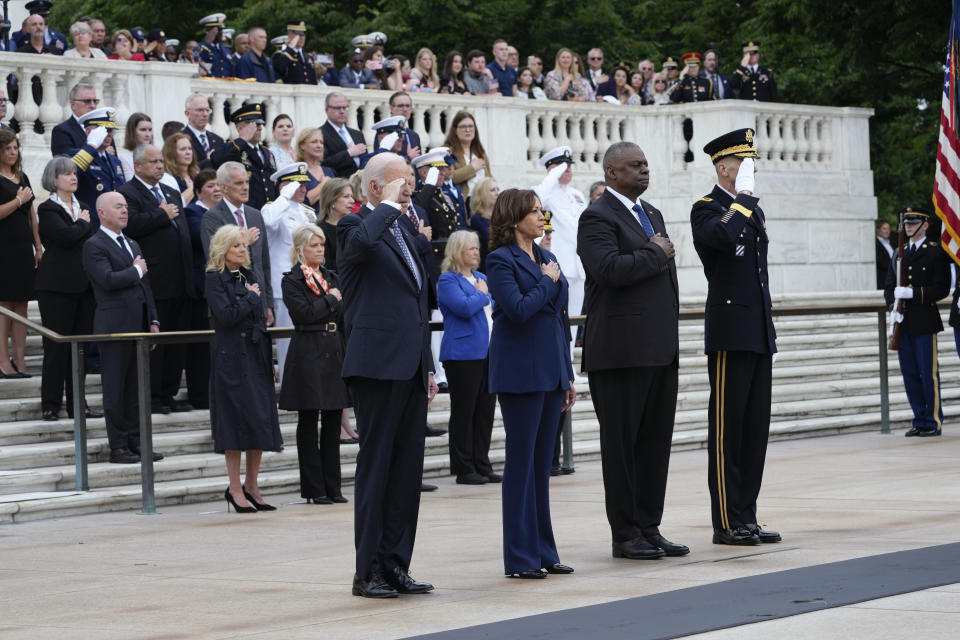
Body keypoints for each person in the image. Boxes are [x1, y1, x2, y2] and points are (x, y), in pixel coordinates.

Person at [577, 141, 686, 560]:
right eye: (634, 166)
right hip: (620, 352)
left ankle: (649, 526)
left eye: (646, 164)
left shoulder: (651, 213)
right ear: (611, 173)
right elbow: (608, 270)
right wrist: (653, 252)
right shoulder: (597, 217)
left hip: (659, 349)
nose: (644, 171)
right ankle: (625, 534)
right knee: (622, 448)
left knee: (654, 444)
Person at [338, 153, 437, 599]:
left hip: (411, 365)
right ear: (375, 187)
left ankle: (397, 563)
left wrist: (428, 364)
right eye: (401, 181)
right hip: (376, 365)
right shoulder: (354, 225)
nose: (409, 187)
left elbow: (419, 301)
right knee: (376, 469)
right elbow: (359, 248)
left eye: (411, 181)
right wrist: (385, 208)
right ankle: (368, 570)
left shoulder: (403, 230)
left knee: (406, 472)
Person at [691, 128, 781, 546]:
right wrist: (743, 198)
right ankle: (726, 521)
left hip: (757, 331)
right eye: (745, 163)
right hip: (730, 333)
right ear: (724, 167)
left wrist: (769, 333)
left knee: (753, 432)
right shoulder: (706, 209)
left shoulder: (751, 211)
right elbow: (723, 240)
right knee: (728, 431)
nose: (753, 170)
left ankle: (747, 514)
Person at [486, 188, 575, 579]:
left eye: (541, 211)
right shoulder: (499, 260)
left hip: (551, 368)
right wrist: (544, 283)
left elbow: (558, 318)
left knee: (542, 466)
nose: (541, 217)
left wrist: (566, 373)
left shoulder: (548, 257)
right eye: (535, 211)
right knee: (521, 465)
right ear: (514, 216)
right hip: (520, 372)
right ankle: (520, 557)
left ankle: (543, 550)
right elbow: (519, 310)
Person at [205, 225, 282, 512]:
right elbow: (226, 316)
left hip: (254, 355)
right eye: (236, 246)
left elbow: (259, 319)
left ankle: (252, 484)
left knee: (258, 420)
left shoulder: (248, 276)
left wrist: (267, 359)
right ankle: (234, 487)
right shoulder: (214, 278)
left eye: (243, 245)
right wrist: (249, 297)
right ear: (223, 249)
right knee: (234, 423)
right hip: (231, 359)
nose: (242, 250)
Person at [82, 192, 161, 463]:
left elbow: (145, 286)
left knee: (136, 390)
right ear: (101, 213)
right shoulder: (94, 244)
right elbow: (107, 280)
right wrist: (136, 271)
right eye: (118, 207)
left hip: (138, 325)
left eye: (126, 206)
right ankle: (118, 446)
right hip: (114, 327)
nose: (125, 211)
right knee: (115, 390)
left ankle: (138, 442)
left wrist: (153, 320)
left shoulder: (132, 243)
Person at [117, 145, 195, 414]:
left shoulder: (171, 191)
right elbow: (132, 225)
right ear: (138, 166)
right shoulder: (128, 193)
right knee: (157, 344)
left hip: (180, 278)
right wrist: (161, 215)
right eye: (153, 162)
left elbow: (182, 231)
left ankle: (169, 392)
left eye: (161, 161)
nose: (160, 166)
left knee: (176, 341)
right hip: (156, 279)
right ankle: (152, 396)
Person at [278, 224, 350, 504]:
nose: (320, 250)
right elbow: (304, 314)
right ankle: (314, 488)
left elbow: (344, 314)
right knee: (308, 420)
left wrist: (332, 303)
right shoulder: (292, 280)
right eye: (314, 246)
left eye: (322, 245)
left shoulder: (332, 276)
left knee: (333, 419)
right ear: (300, 250)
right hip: (307, 351)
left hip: (334, 349)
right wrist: (331, 299)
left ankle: (333, 486)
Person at [35, 157, 99, 417]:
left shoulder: (82, 206)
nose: (73, 177)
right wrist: (81, 225)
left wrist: (80, 227)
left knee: (80, 349)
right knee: (56, 347)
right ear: (54, 179)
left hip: (84, 286)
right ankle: (51, 404)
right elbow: (65, 237)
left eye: (74, 173)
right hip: (56, 287)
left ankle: (77, 404)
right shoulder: (47, 208)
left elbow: (87, 239)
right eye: (67, 174)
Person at [437, 230, 498, 484]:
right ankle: (464, 468)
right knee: (464, 411)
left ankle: (482, 463)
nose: (476, 252)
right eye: (471, 248)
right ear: (457, 251)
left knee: (485, 411)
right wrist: (481, 294)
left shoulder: (481, 277)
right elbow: (463, 308)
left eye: (476, 248)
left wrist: (483, 294)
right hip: (462, 354)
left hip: (487, 351)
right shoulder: (448, 281)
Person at [885, 207, 950, 437]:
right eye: (907, 224)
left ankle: (933, 421)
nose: (909, 227)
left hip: (924, 321)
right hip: (904, 323)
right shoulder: (899, 253)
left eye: (914, 224)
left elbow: (942, 288)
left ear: (925, 226)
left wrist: (914, 294)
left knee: (927, 372)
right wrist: (893, 306)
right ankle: (919, 419)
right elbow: (890, 285)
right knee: (910, 373)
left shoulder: (935, 253)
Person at [261, 163, 316, 382]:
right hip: (284, 285)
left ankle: (306, 382)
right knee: (287, 340)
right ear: (284, 185)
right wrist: (284, 195)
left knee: (307, 338)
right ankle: (288, 382)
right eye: (297, 184)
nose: (303, 189)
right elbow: (268, 222)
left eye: (304, 184)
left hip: (309, 283)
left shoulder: (307, 213)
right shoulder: (273, 209)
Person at [201, 162, 274, 326]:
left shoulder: (255, 215)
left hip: (258, 301)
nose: (245, 187)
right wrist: (243, 242)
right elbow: (214, 259)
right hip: (230, 303)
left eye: (247, 182)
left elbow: (264, 263)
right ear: (224, 187)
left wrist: (268, 303)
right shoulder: (212, 217)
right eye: (239, 183)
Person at [0, 129, 41, 379]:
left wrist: (38, 246)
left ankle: (20, 360)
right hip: (2, 248)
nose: (13, 153)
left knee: (22, 305)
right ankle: (3, 361)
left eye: (15, 148)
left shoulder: (22, 176)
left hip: (23, 248)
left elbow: (31, 214)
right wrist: (17, 200)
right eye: (8, 149)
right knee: (4, 304)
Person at [533, 147, 587, 330]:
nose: (569, 170)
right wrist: (553, 175)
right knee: (558, 320)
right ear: (552, 169)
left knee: (574, 321)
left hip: (578, 266)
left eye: (570, 166)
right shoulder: (545, 193)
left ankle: (569, 358)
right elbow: (537, 196)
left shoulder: (576, 195)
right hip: (559, 264)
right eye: (564, 166)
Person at [182, 169, 220, 410]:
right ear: (198, 192)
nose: (216, 189)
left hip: (223, 289)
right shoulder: (193, 212)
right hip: (201, 288)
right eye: (210, 186)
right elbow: (203, 239)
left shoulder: (222, 213)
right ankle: (199, 394)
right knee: (200, 348)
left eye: (218, 185)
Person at [211, 103, 277, 211]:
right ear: (239, 127)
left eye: (260, 124)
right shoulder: (234, 149)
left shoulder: (267, 153)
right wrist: (242, 139)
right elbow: (216, 159)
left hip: (270, 212)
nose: (259, 128)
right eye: (254, 125)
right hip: (246, 211)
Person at [68, 107, 126, 217]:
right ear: (89, 131)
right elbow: (70, 173)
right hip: (91, 221)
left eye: (110, 130)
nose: (109, 134)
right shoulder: (75, 155)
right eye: (104, 130)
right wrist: (91, 146)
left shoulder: (115, 160)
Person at [442, 111, 490, 199]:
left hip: (483, 201)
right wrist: (472, 168)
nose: (468, 130)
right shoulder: (447, 151)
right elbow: (446, 177)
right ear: (455, 130)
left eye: (471, 126)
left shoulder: (480, 152)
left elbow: (489, 177)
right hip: (463, 201)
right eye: (463, 126)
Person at [320, 92, 367, 178]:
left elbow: (365, 159)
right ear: (327, 110)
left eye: (345, 107)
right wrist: (349, 153)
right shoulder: (320, 134)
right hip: (338, 185)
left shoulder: (357, 134)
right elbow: (324, 163)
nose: (342, 111)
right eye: (337, 108)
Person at [317, 177, 354, 274]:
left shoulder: (355, 226)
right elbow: (325, 266)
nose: (352, 201)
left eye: (351, 196)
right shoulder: (319, 231)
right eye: (346, 196)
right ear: (332, 200)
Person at [52, 83, 100, 156]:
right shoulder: (62, 131)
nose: (93, 106)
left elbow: (114, 164)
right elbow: (65, 164)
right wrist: (99, 152)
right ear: (73, 104)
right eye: (87, 101)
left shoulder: (103, 129)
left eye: (95, 101)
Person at [296, 127, 335, 212]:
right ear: (302, 145)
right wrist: (324, 184)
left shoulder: (330, 171)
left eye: (321, 142)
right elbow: (303, 201)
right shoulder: (297, 172)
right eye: (314, 142)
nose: (319, 145)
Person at [182, 94, 224, 170]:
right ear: (187, 113)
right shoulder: (180, 139)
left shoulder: (218, 140)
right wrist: (207, 162)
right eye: (200, 110)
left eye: (207, 110)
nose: (205, 114)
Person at [273, 20, 316, 84]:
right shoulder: (281, 54)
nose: (301, 38)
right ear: (289, 35)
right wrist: (290, 49)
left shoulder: (308, 57)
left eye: (303, 34)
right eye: (298, 34)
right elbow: (279, 68)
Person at [469, 176, 498, 270]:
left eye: (498, 189)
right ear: (483, 194)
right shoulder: (477, 219)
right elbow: (491, 240)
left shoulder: (502, 215)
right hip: (487, 266)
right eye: (492, 190)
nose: (497, 193)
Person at [161, 133, 199, 204]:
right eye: (183, 149)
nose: (188, 152)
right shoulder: (166, 178)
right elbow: (175, 204)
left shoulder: (196, 174)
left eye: (190, 148)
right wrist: (192, 188)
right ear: (171, 153)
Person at [118, 113, 154, 181]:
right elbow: (130, 183)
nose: (148, 134)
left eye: (150, 130)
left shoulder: (156, 154)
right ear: (132, 131)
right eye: (143, 130)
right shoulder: (124, 158)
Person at [197, 13, 233, 78]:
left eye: (221, 30)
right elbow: (196, 60)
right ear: (208, 31)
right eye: (217, 30)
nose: (220, 33)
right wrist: (207, 43)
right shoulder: (199, 47)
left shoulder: (226, 51)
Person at [388, 92, 422, 159]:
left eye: (408, 106)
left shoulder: (414, 135)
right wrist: (408, 157)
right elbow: (382, 161)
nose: (405, 109)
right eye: (401, 106)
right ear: (392, 109)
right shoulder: (384, 133)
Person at [876, 220, 893, 289]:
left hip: (891, 279)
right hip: (882, 280)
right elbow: (881, 262)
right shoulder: (875, 244)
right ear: (878, 230)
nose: (887, 231)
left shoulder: (890, 244)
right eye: (884, 228)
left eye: (888, 229)